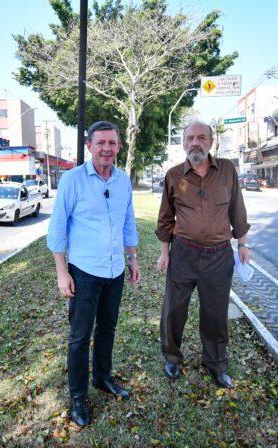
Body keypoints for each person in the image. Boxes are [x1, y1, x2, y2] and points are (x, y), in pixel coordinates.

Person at [47, 121, 141, 427]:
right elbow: (57, 228)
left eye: (112, 143)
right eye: (101, 143)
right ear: (89, 146)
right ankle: (78, 396)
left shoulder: (123, 181)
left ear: (118, 146)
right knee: (79, 336)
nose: (107, 149)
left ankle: (103, 377)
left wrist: (133, 258)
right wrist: (63, 272)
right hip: (84, 272)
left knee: (108, 329)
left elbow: (128, 222)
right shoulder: (73, 180)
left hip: (114, 272)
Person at [155, 120, 251, 389]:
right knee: (173, 310)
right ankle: (172, 357)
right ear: (183, 142)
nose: (194, 143)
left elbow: (238, 211)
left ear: (210, 142)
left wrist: (242, 244)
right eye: (189, 138)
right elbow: (165, 218)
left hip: (219, 257)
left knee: (215, 313)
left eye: (200, 137)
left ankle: (217, 364)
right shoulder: (174, 175)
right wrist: (165, 253)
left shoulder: (228, 170)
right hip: (183, 254)